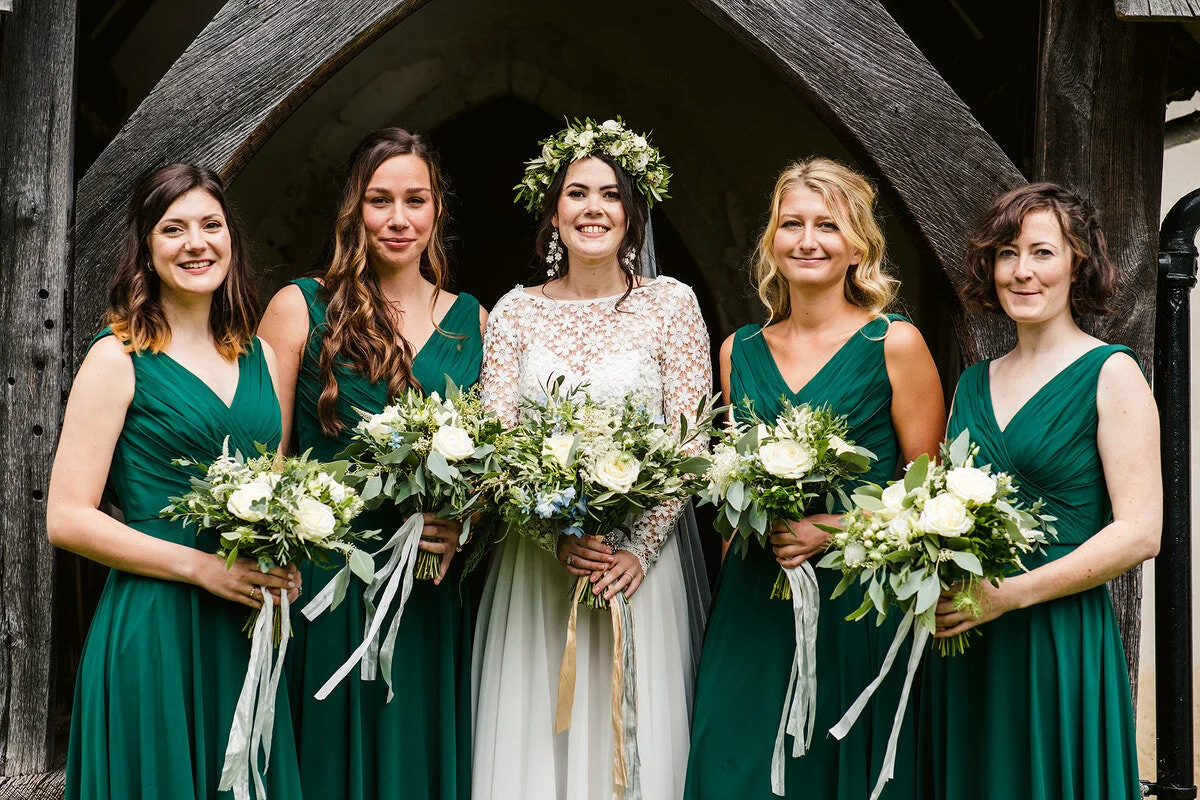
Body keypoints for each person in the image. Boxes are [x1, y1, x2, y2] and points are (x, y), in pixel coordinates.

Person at [684, 157, 945, 799]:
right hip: (754, 597)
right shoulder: (739, 350)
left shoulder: (893, 343)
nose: (807, 240)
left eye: (828, 225)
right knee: (733, 763)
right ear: (772, 240)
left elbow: (929, 494)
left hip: (855, 599)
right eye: (791, 224)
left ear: (858, 246)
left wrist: (836, 529)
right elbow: (732, 490)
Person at [472, 119, 711, 799]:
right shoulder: (514, 312)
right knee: (536, 737)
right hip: (541, 568)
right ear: (553, 213)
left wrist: (637, 548)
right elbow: (497, 445)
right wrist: (552, 535)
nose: (593, 208)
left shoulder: (672, 305)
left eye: (611, 194)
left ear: (633, 212)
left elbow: (692, 441)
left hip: (635, 572)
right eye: (577, 193)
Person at [51, 163, 303, 799]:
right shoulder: (116, 358)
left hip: (241, 628)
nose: (196, 243)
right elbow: (67, 518)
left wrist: (284, 559)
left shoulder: (262, 356)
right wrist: (201, 568)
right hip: (156, 625)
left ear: (230, 238)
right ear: (145, 246)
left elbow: (272, 490)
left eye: (211, 225)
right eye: (173, 228)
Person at [259, 127, 484, 800]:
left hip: (425, 583)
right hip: (326, 578)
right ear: (355, 208)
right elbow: (266, 457)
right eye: (380, 200)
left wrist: (464, 523)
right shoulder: (300, 306)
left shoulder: (471, 320)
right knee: (326, 756)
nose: (398, 218)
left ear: (438, 208)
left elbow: (490, 462)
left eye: (415, 200)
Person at [918, 183, 1160, 800]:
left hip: (1056, 631)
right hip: (969, 632)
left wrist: (1009, 595)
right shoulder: (972, 383)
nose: (1021, 271)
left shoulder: (1112, 372)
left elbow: (1140, 532)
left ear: (1079, 264)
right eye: (1007, 253)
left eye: (1042, 252)